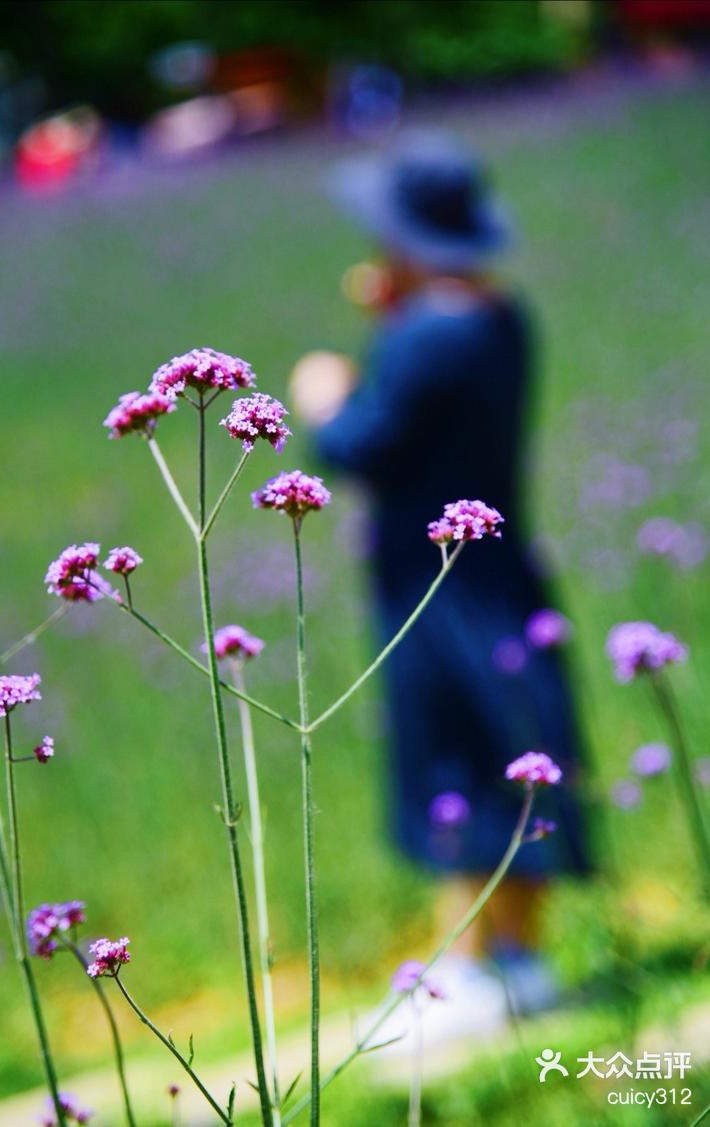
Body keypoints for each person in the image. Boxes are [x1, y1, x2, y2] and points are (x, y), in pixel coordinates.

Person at [290, 136, 590, 1036]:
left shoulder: (424, 334)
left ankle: (462, 971)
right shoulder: (501, 318)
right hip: (504, 568)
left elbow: (363, 446)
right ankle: (521, 956)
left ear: (407, 241)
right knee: (517, 742)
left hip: (432, 582)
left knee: (450, 757)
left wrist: (324, 392)